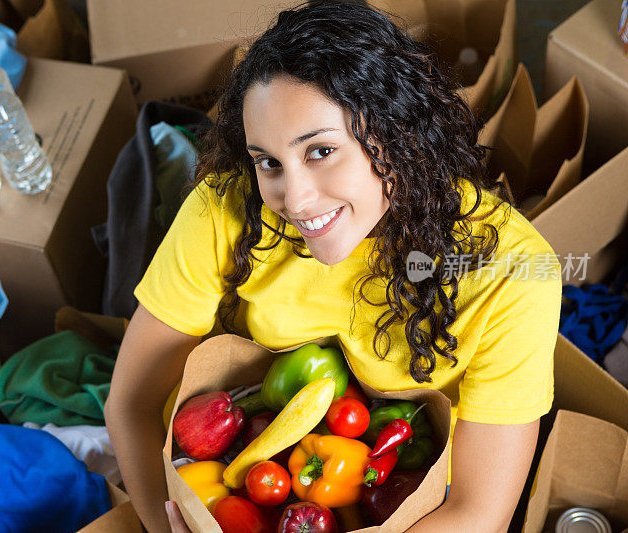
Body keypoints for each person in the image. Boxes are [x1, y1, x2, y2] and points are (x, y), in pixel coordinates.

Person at [104, 2, 562, 532]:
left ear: (395, 135)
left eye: (320, 151)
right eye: (268, 161)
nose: (294, 199)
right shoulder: (225, 208)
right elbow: (132, 406)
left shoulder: (512, 273)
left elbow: (478, 511)